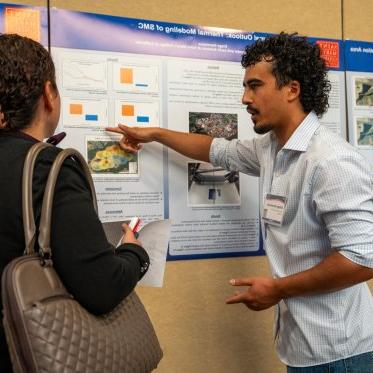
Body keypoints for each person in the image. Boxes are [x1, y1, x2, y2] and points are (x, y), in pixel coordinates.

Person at [107, 32, 373, 372]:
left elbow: (361, 259)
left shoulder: (330, 160)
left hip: (342, 352)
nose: (245, 98)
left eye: (255, 86)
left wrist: (277, 289)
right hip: (303, 346)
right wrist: (154, 134)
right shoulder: (271, 150)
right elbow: (214, 149)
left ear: (292, 89)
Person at [0, 34, 149, 372]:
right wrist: (134, 252)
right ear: (48, 95)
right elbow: (102, 288)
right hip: (23, 355)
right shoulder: (47, 168)